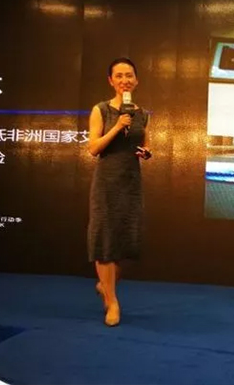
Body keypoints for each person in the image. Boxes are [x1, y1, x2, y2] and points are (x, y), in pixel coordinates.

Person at [87, 57, 152, 326]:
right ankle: (112, 302)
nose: (125, 80)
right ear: (111, 81)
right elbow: (93, 148)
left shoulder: (143, 114)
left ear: (136, 80)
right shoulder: (101, 109)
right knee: (104, 240)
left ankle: (105, 284)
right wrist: (117, 126)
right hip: (106, 182)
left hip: (130, 182)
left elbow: (145, 143)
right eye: (119, 75)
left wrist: (146, 152)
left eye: (129, 75)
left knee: (124, 241)